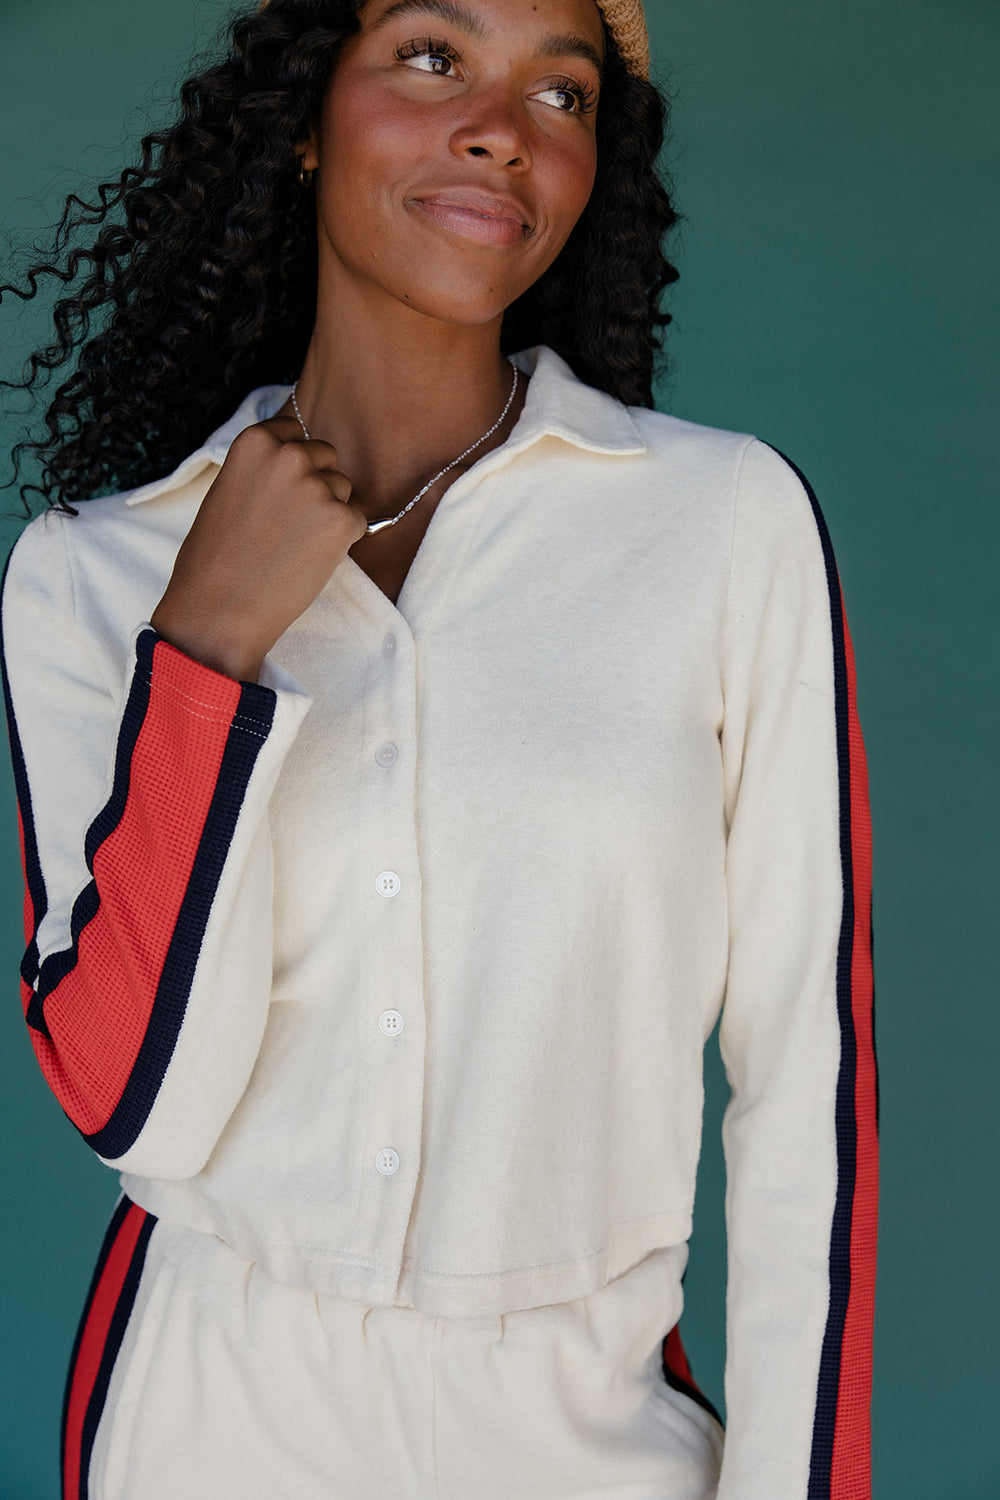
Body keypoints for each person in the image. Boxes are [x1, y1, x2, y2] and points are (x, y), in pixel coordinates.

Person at [0, 0, 878, 1496]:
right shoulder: (96, 570)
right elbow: (137, 1101)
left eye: (566, 93)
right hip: (208, 1428)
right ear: (301, 114)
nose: (504, 126)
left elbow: (812, 1089)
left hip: (587, 1437)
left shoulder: (719, 525)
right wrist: (207, 647)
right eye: (430, 56)